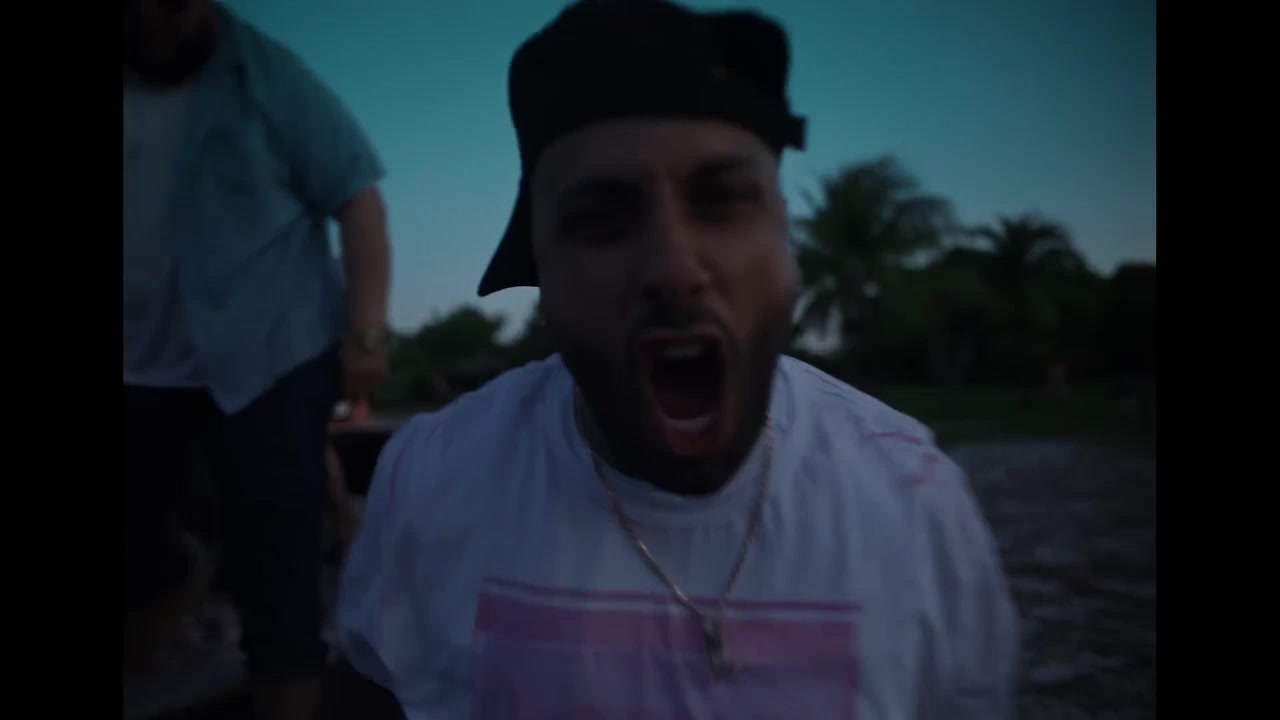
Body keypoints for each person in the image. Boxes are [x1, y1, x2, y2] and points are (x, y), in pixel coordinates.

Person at [337, 1, 1018, 718]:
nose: (673, 267)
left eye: (721, 201)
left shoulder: (917, 502)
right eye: (602, 219)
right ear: (542, 271)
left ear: (786, 243)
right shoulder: (432, 479)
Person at [123, 1, 391, 718]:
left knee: (278, 580)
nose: (159, 18)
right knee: (144, 547)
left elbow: (359, 199)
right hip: (142, 365)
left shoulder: (268, 77)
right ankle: (175, 589)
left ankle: (291, 674)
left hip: (272, 356)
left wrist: (366, 335)